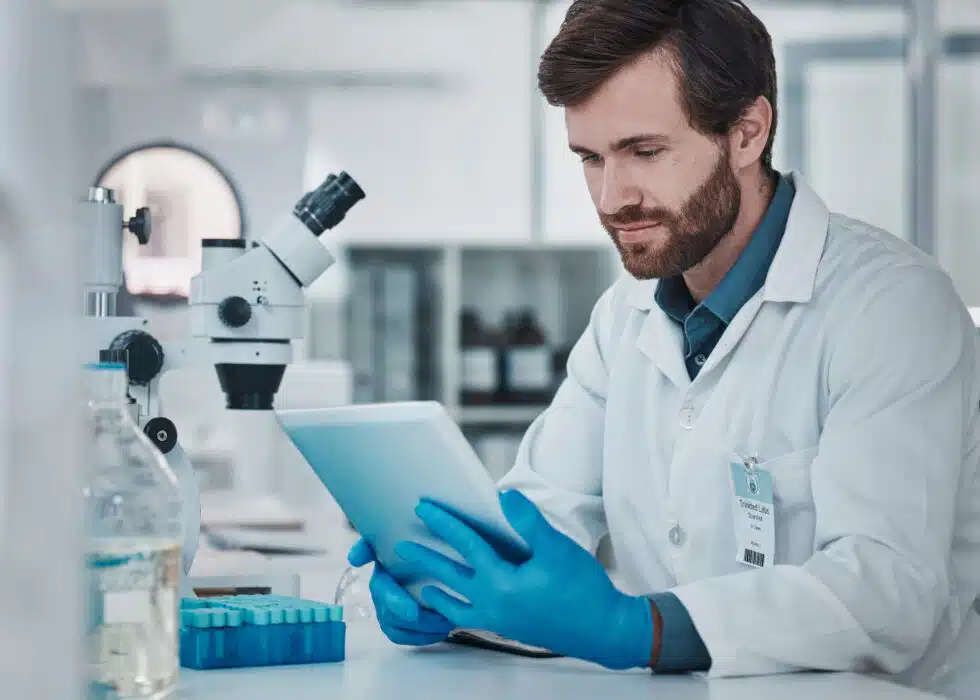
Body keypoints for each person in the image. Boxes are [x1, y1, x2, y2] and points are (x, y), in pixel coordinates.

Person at [349, 1, 980, 697]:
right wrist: (450, 584)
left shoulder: (890, 307)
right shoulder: (626, 316)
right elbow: (542, 513)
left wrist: (636, 629)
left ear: (747, 133)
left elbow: (887, 593)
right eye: (590, 158)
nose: (613, 197)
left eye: (645, 152)